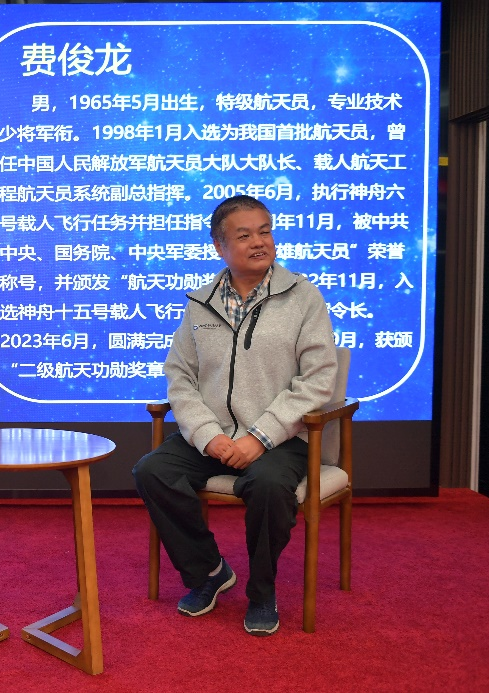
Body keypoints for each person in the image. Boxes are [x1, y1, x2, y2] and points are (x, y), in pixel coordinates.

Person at [132, 194, 337, 636]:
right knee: (153, 471)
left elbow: (319, 378)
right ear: (219, 246)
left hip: (281, 438)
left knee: (268, 485)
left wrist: (259, 437)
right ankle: (209, 571)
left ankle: (262, 592)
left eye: (265, 232)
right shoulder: (201, 302)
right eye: (244, 235)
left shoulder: (303, 297)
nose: (259, 242)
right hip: (216, 437)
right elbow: (180, 375)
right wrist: (208, 435)